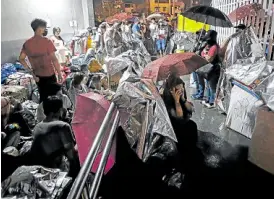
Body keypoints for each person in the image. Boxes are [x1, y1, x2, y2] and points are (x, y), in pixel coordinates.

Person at [162, 74, 202, 175]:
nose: (181, 91)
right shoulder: (167, 99)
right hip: (173, 126)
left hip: (184, 123)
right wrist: (176, 101)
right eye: (178, 89)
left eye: (182, 88)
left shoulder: (181, 94)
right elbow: (178, 117)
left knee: (192, 125)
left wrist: (183, 98)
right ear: (171, 90)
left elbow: (190, 110)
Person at [31, 96, 80, 178]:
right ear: (59, 110)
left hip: (41, 169)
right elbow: (71, 156)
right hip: (57, 170)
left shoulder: (37, 127)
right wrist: (78, 145)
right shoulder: (63, 126)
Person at [19, 19, 63, 103]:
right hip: (50, 74)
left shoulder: (27, 43)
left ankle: (43, 114)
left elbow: (21, 59)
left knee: (43, 96)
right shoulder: (47, 42)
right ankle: (53, 114)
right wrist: (59, 73)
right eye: (44, 28)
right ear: (39, 29)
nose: (45, 30)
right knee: (54, 98)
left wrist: (30, 71)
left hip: (38, 77)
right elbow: (54, 59)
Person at [199, 30, 221, 108]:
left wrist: (204, 54)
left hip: (213, 69)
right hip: (208, 68)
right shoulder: (208, 46)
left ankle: (212, 102)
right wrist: (204, 53)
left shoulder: (214, 47)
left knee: (212, 86)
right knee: (208, 85)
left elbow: (209, 59)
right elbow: (202, 53)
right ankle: (208, 99)